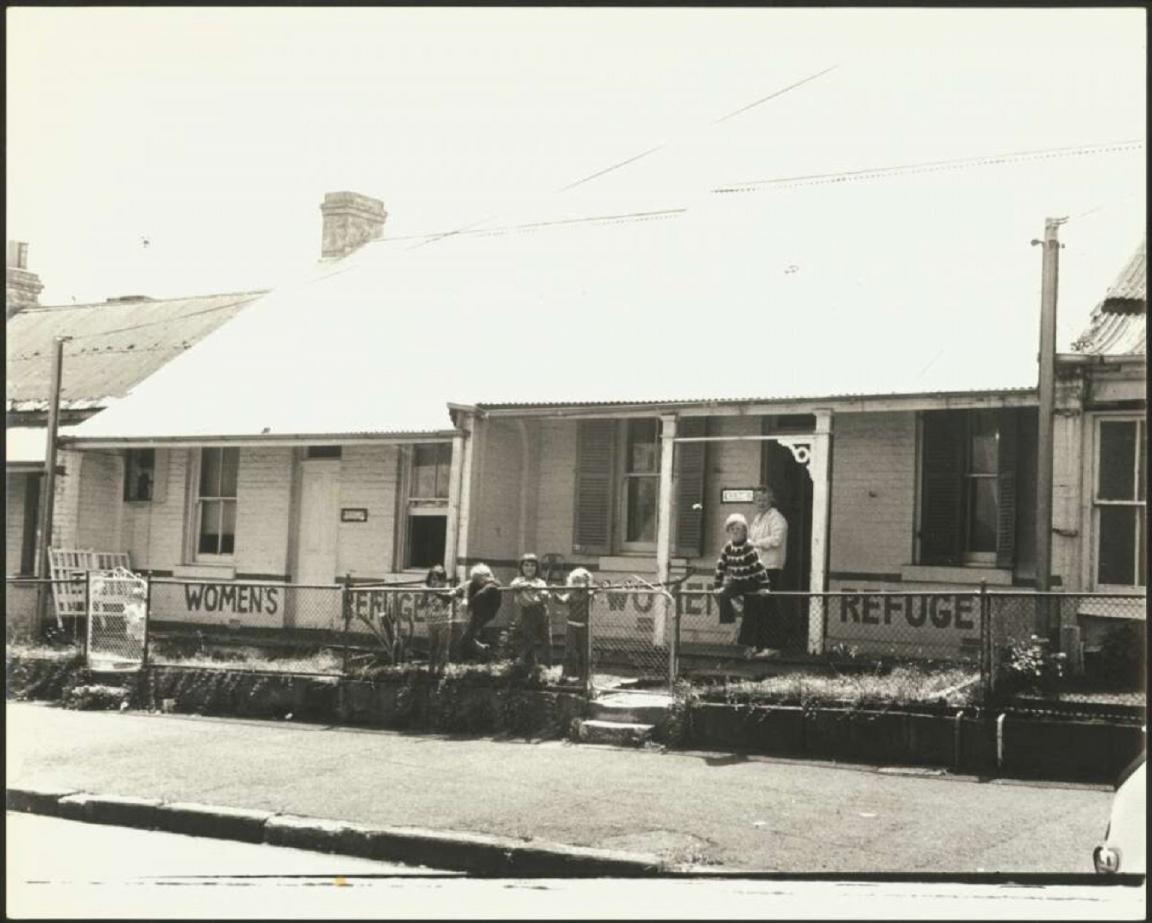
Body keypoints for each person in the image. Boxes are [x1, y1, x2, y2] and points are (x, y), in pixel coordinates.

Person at [713, 512, 774, 659]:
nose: (735, 532)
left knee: (751, 616)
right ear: (728, 531)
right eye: (732, 529)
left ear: (745, 531)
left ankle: (750, 646)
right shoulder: (728, 548)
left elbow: (759, 568)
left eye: (738, 529)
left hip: (751, 581)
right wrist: (717, 583)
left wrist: (764, 585)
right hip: (737, 580)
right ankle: (731, 622)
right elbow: (721, 565)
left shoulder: (749, 548)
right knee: (721, 594)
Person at [749, 485, 790, 653]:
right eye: (758, 499)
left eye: (764, 499)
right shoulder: (758, 518)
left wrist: (755, 544)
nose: (761, 502)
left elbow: (776, 540)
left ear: (771, 500)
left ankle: (773, 645)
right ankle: (758, 644)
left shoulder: (777, 518)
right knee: (757, 607)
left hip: (771, 567)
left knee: (769, 607)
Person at [555, 567, 595, 686]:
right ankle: (566, 674)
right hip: (572, 626)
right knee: (570, 650)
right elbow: (561, 600)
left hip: (585, 626)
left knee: (584, 651)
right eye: (576, 580)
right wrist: (555, 593)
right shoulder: (571, 594)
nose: (578, 584)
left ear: (586, 582)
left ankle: (584, 676)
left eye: (581, 580)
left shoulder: (588, 593)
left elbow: (594, 596)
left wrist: (592, 590)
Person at [511, 552, 551, 668]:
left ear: (537, 568)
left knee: (546, 640)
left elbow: (545, 594)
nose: (529, 568)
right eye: (526, 565)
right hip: (527, 612)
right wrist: (524, 586)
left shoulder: (539, 581)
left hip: (541, 611)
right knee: (528, 640)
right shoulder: (519, 580)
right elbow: (514, 585)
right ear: (521, 567)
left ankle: (547, 667)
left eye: (532, 566)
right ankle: (529, 665)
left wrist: (538, 590)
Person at [457, 563, 502, 660]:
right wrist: (461, 592)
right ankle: (483, 649)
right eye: (476, 580)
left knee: (466, 638)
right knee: (467, 637)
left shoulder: (493, 584)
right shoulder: (475, 584)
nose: (478, 582)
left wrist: (469, 602)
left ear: (486, 575)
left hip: (486, 614)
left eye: (479, 579)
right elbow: (469, 586)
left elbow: (481, 594)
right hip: (476, 613)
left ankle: (487, 653)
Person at [423, 565, 453, 673]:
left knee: (443, 646)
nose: (435, 582)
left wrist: (435, 592)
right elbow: (423, 604)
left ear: (443, 580)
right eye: (432, 579)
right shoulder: (428, 591)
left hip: (443, 623)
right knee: (432, 646)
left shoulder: (446, 590)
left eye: (438, 579)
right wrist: (425, 593)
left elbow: (446, 601)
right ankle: (431, 669)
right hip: (431, 622)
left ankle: (442, 670)